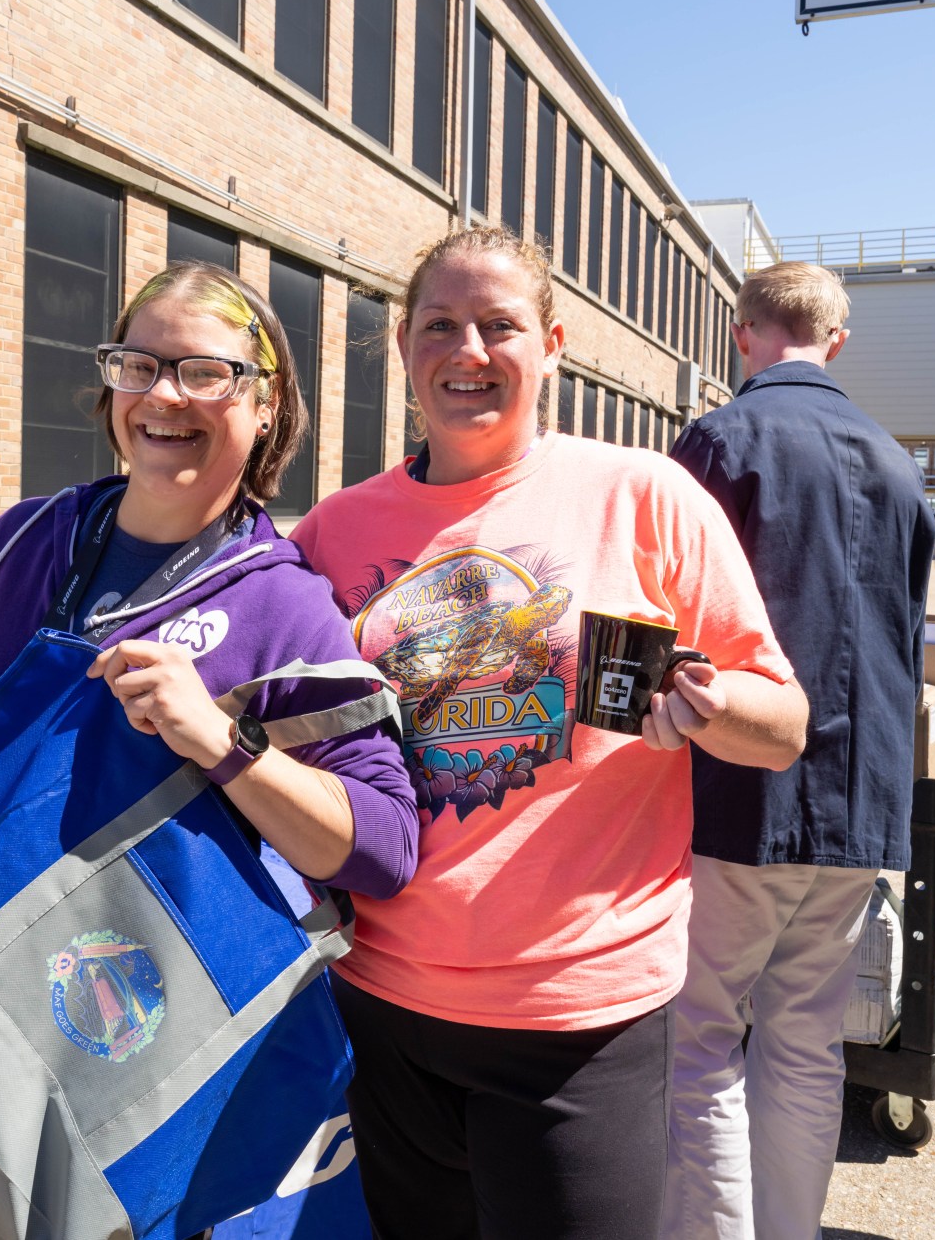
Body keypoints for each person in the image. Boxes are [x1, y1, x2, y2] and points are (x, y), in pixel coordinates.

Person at [292, 226, 808, 1240]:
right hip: (381, 999)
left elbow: (781, 724)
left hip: (580, 1014)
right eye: (439, 326)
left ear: (554, 344)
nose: (468, 351)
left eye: (500, 326)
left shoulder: (642, 495)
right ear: (402, 347)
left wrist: (709, 703)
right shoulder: (333, 530)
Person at [0, 261, 417, 909]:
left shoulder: (283, 606)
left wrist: (223, 740)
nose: (164, 395)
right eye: (140, 365)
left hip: (129, 994)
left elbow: (386, 847)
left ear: (266, 404)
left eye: (204, 372)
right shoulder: (25, 536)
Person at [663, 262, 935, 1240]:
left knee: (693, 1042)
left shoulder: (720, 441)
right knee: (806, 1044)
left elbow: (668, 619)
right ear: (837, 341)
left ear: (741, 335)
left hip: (734, 790)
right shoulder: (898, 462)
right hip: (856, 803)